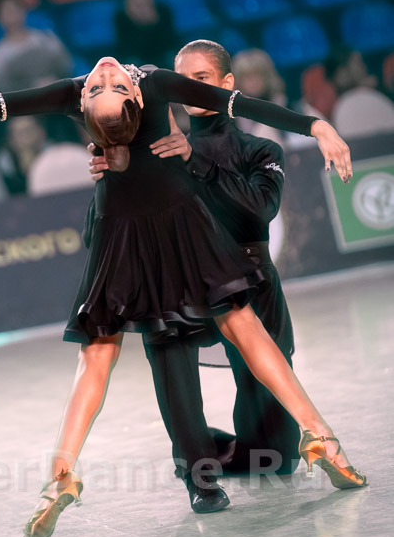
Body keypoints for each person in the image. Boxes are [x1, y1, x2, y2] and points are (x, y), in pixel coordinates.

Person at [0, 57, 365, 537]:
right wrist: (317, 126)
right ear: (133, 96)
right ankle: (319, 436)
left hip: (123, 235)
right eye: (101, 86)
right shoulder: (151, 82)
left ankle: (60, 478)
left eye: (103, 85)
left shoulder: (83, 91)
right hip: (178, 226)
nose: (105, 73)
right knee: (238, 325)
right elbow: (236, 103)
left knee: (100, 357)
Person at [89, 40, 301, 496]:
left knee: (280, 457)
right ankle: (195, 465)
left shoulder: (261, 149)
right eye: (181, 80)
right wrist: (111, 179)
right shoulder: (152, 152)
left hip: (253, 284)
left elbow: (259, 210)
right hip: (184, 284)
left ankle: (219, 448)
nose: (188, 88)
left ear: (227, 84)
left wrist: (193, 159)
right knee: (170, 357)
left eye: (200, 79)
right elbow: (99, 234)